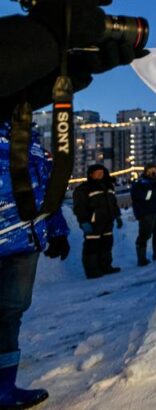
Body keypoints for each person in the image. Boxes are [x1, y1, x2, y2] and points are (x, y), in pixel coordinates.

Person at [0, 122, 70, 408]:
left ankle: (4, 389)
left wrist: (57, 230)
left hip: (25, 243)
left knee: (10, 313)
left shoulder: (34, 145)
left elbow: (49, 191)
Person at [72, 164, 123, 279]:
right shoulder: (84, 188)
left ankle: (106, 266)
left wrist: (118, 216)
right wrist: (83, 221)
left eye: (102, 172)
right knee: (92, 246)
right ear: (91, 174)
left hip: (108, 221)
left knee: (107, 244)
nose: (101, 174)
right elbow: (79, 207)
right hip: (93, 222)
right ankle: (92, 270)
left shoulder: (109, 186)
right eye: (97, 172)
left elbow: (113, 203)